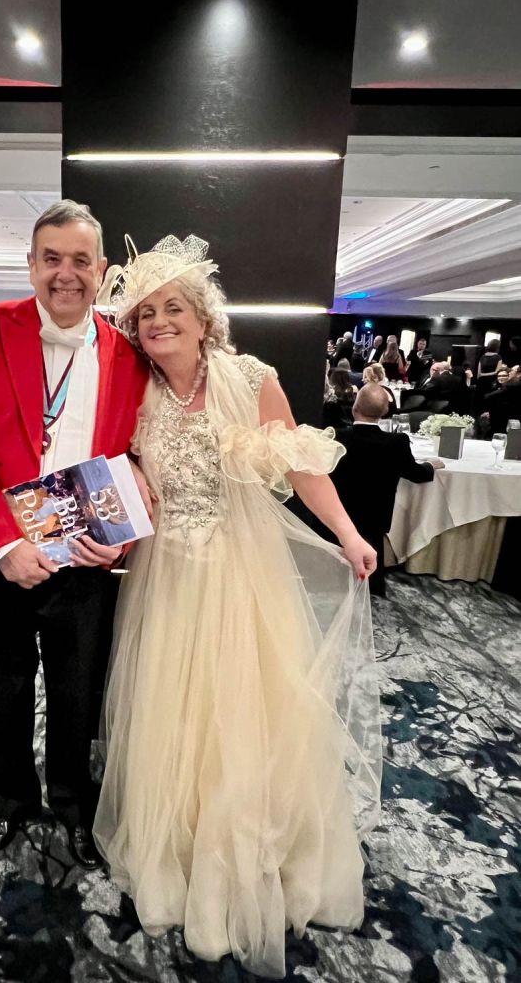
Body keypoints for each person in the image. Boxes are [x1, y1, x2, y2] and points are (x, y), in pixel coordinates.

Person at [93, 234, 381, 978]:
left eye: (174, 308)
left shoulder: (251, 379)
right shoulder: (132, 390)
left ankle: (247, 850)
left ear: (203, 317)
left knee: (242, 712)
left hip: (239, 574)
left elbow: (301, 464)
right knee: (171, 712)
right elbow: (115, 468)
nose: (160, 322)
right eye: (146, 313)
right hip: (164, 575)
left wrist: (349, 534)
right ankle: (179, 842)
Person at [0, 200, 149, 868]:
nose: (65, 273)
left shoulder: (127, 353)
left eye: (80, 260)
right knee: (7, 683)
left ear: (101, 271)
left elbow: (135, 457)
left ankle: (74, 804)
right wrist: (4, 546)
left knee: (77, 689)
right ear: (31, 266)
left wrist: (119, 536)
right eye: (51, 258)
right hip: (1, 551)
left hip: (85, 551)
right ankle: (12, 798)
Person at [328, 385, 443, 596]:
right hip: (375, 516)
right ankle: (372, 586)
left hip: (338, 513)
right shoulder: (396, 442)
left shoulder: (336, 437)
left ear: (354, 408)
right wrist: (430, 466)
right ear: (384, 412)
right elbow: (416, 474)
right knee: (373, 543)